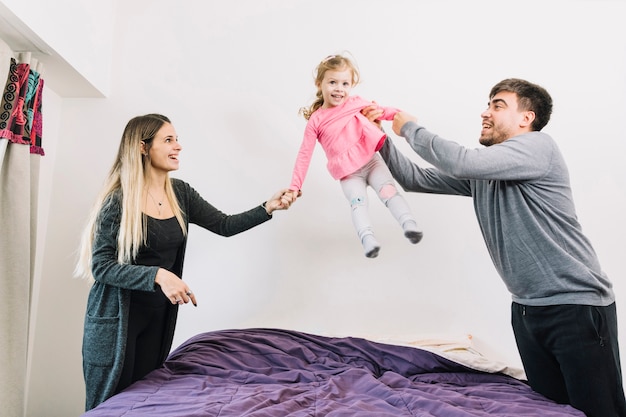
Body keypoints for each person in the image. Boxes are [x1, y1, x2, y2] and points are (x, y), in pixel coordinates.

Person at [365, 78, 626, 417]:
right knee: (549, 410)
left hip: (575, 309)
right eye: (488, 105)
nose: (485, 113)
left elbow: (460, 161)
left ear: (526, 118)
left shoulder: (539, 147)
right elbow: (416, 179)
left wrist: (409, 127)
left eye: (497, 105)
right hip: (526, 311)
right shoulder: (487, 170)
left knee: (600, 412)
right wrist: (380, 138)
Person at [74, 113, 297, 411]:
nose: (178, 146)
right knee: (109, 408)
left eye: (177, 139)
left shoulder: (180, 193)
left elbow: (224, 225)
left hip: (157, 319)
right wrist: (159, 276)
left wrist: (267, 207)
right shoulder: (118, 200)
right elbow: (102, 267)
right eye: (168, 140)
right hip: (115, 324)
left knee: (144, 405)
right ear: (143, 147)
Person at [288, 54, 421, 258]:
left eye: (345, 83)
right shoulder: (316, 120)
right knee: (358, 202)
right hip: (349, 173)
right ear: (319, 83)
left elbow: (381, 111)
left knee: (388, 191)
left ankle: (409, 223)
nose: (339, 88)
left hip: (371, 161)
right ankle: (368, 239)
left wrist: (404, 117)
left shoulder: (355, 102)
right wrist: (295, 186)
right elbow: (304, 154)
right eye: (332, 82)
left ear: (351, 85)